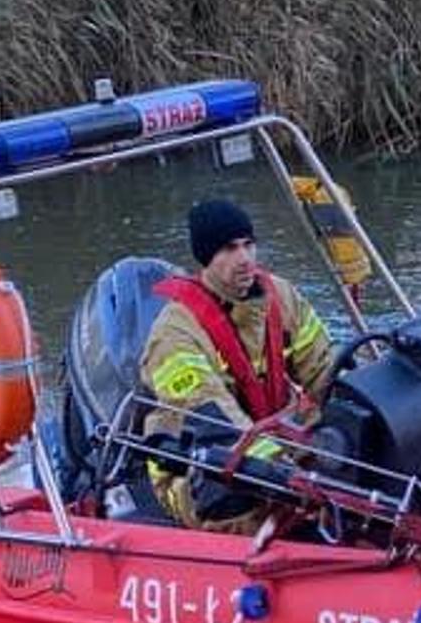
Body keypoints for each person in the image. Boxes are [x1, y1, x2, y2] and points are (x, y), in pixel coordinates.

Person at [140, 199, 335, 534]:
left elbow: (325, 370)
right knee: (236, 500)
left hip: (277, 448)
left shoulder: (281, 297)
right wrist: (296, 482)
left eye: (249, 245)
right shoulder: (174, 335)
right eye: (229, 249)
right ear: (206, 257)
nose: (245, 259)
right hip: (200, 466)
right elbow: (213, 420)